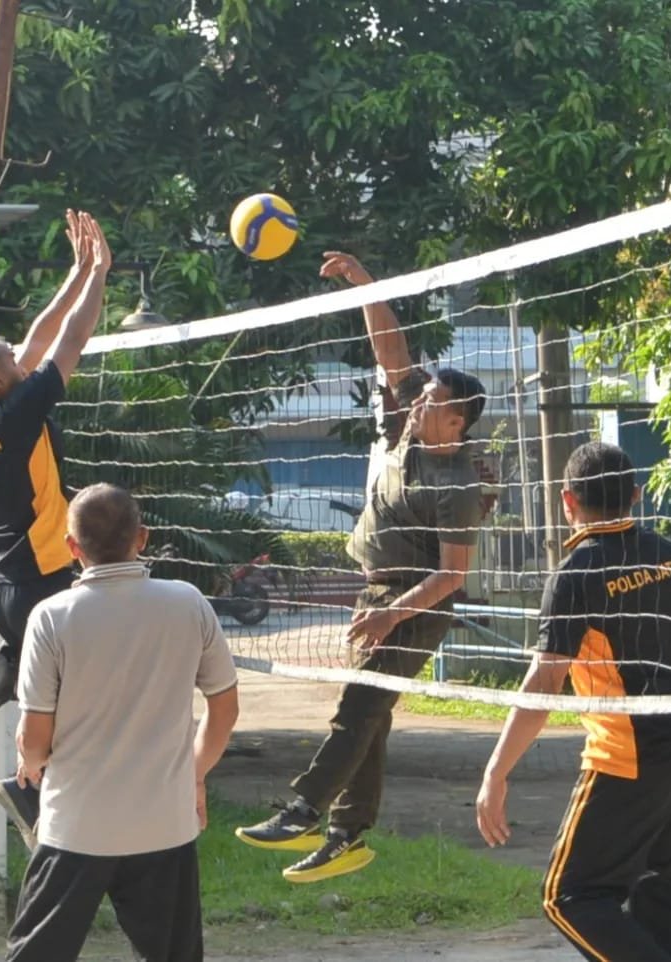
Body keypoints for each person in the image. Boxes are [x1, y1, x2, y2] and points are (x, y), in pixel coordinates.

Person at [234, 251, 488, 883]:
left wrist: (389, 618)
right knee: (370, 721)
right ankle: (349, 836)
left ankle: (304, 809)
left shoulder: (458, 482)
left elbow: (453, 576)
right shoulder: (409, 430)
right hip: (379, 595)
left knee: (356, 710)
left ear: (457, 418)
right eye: (423, 393)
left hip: (416, 606)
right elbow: (391, 353)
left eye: (434, 398)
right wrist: (367, 285)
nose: (420, 396)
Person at [475, 442, 671, 962]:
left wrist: (496, 773)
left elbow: (544, 683)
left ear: (567, 501)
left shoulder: (576, 573)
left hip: (628, 757)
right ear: (636, 495)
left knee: (569, 897)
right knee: (665, 895)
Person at [5, 483, 240, 962]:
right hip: (164, 824)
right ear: (142, 538)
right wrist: (192, 776)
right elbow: (225, 709)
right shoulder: (188, 603)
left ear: (72, 547)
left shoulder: (52, 617)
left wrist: (29, 764)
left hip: (76, 825)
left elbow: (35, 736)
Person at [0, 209, 111, 746]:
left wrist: (77, 270)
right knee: (70, 704)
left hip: (4, 587)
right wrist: (100, 274)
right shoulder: (19, 414)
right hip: (45, 580)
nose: (24, 362)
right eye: (13, 362)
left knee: (41, 676)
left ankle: (8, 665)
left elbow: (40, 337)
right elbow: (71, 339)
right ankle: (31, 783)